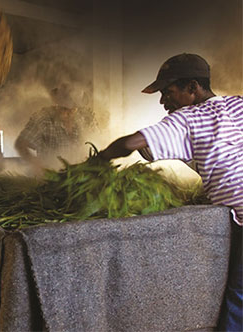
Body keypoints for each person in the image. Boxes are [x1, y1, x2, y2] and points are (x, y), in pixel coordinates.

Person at [98, 53, 242, 331]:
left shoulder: (188, 118)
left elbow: (131, 143)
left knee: (238, 299)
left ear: (192, 87)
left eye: (167, 92)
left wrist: (95, 162)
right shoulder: (238, 104)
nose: (164, 101)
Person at [14, 83, 83, 174]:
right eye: (65, 109)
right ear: (56, 104)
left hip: (77, 176)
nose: (69, 113)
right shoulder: (43, 119)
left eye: (73, 109)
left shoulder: (81, 121)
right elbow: (20, 144)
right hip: (51, 176)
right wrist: (36, 164)